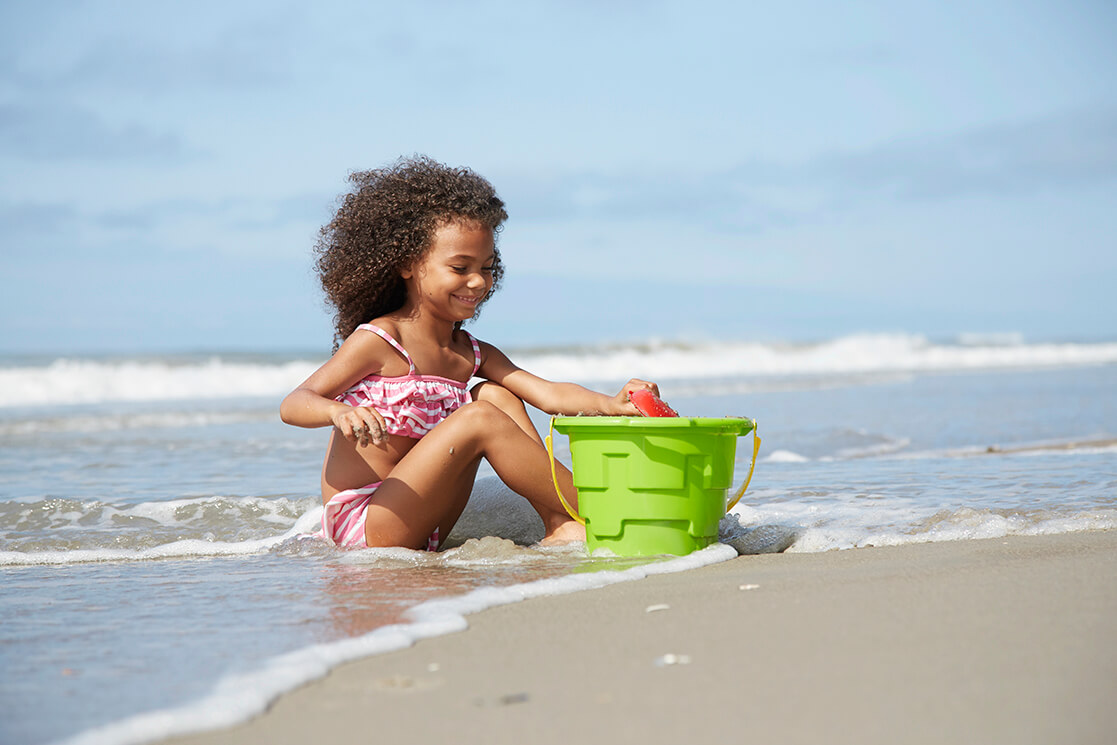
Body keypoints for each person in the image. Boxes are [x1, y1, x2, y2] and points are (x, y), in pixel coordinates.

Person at [280, 156, 657, 551]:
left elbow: (547, 395)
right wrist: (338, 412)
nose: (478, 281)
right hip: (371, 524)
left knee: (495, 394)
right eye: (460, 268)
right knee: (479, 416)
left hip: (428, 521)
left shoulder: (471, 353)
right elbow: (295, 403)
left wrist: (612, 404)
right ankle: (608, 514)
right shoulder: (382, 338)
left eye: (488, 267)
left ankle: (561, 522)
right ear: (409, 265)